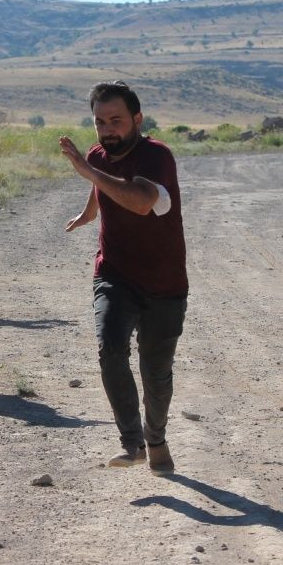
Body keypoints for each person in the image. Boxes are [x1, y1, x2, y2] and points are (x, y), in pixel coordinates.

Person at [59, 81, 188, 475]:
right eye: (100, 122)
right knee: (111, 348)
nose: (107, 130)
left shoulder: (156, 156)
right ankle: (132, 443)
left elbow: (140, 201)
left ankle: (156, 439)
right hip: (114, 273)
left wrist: (87, 171)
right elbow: (101, 183)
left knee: (156, 374)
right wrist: (89, 212)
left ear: (137, 119)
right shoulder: (98, 156)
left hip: (164, 282)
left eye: (116, 120)